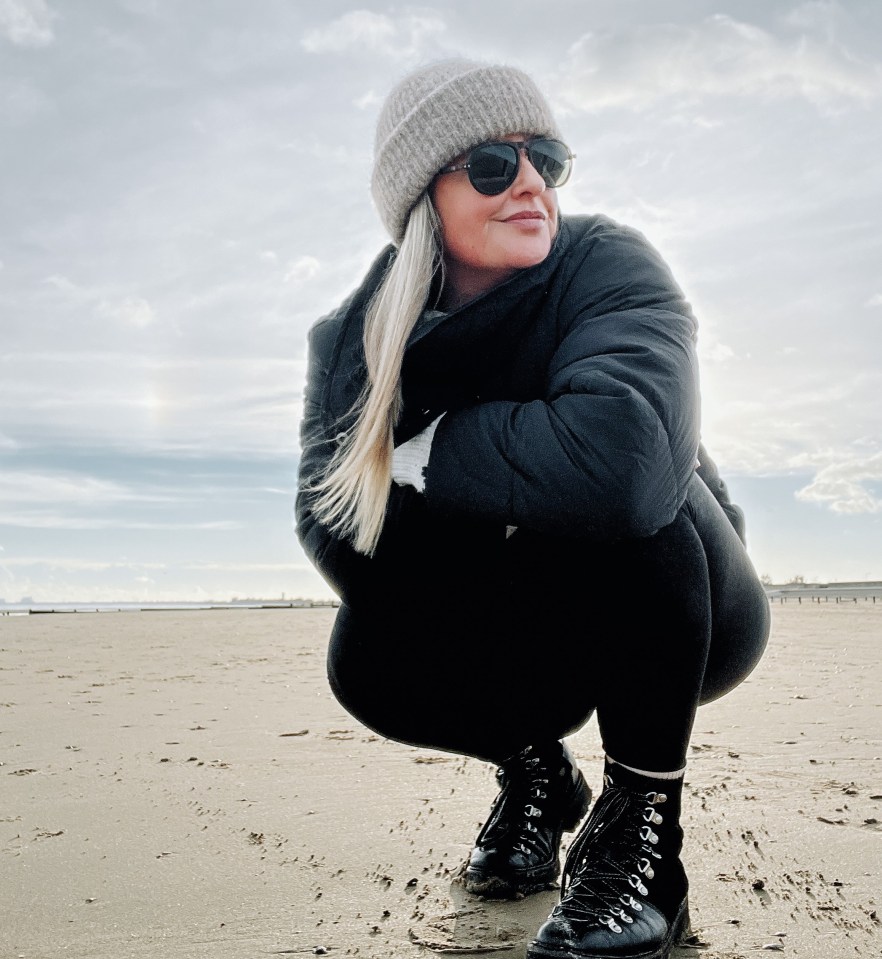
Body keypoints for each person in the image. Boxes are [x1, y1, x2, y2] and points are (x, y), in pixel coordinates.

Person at [295, 58, 770, 959]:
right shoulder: (353, 339)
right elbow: (338, 531)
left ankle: (641, 829)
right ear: (420, 197)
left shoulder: (608, 263)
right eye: (490, 166)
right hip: (527, 617)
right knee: (364, 658)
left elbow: (623, 462)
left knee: (619, 498)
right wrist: (490, 528)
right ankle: (538, 775)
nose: (529, 186)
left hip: (688, 603)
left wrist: (427, 454)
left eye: (544, 160)